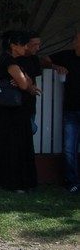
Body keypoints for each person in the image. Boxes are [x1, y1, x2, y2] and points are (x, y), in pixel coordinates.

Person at [0, 30, 39, 192]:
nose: (27, 47)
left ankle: (5, 180)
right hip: (14, 110)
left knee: (8, 143)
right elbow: (24, 84)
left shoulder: (12, 60)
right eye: (24, 44)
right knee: (14, 144)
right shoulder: (9, 62)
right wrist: (28, 85)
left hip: (13, 109)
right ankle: (13, 182)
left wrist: (27, 82)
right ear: (14, 45)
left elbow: (26, 81)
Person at [47, 31, 80, 193]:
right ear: (75, 43)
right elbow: (44, 59)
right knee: (69, 148)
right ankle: (72, 181)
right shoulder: (67, 56)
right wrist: (55, 66)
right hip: (72, 109)